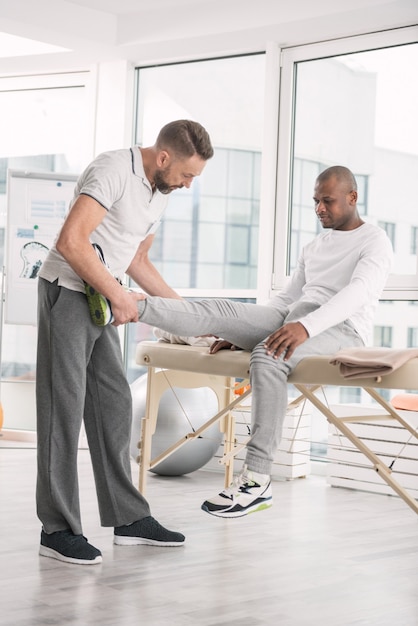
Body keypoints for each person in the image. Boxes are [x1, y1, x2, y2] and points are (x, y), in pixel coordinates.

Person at [36, 119, 214, 564]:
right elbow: (72, 241)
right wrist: (117, 294)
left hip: (101, 299)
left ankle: (128, 518)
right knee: (63, 410)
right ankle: (57, 529)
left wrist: (190, 319)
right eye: (188, 175)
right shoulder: (113, 170)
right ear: (164, 157)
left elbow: (137, 259)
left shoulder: (160, 192)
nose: (189, 185)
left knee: (113, 406)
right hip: (69, 293)